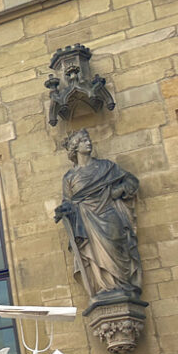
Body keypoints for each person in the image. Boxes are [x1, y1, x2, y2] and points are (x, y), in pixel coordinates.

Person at [53, 129, 142, 304]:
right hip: (87, 221)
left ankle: (122, 285)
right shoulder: (70, 177)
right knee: (95, 255)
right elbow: (68, 202)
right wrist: (63, 211)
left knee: (117, 247)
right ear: (75, 147)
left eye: (89, 140)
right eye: (84, 140)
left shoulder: (106, 167)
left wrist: (116, 191)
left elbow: (132, 182)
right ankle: (103, 287)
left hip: (109, 214)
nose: (89, 143)